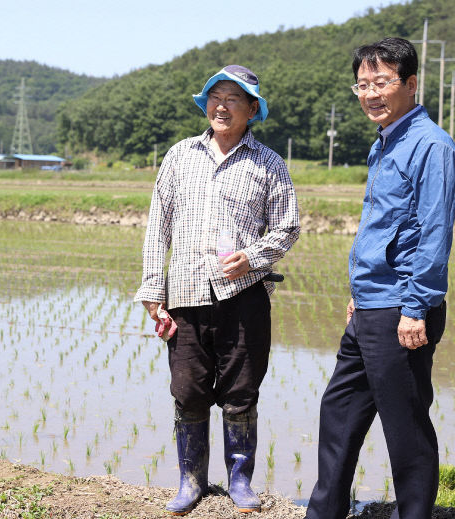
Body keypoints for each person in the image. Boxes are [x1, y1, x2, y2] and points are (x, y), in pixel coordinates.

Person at [305, 38, 455, 519]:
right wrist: (359, 295)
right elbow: (383, 229)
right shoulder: (386, 142)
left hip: (402, 310)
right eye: (363, 84)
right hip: (370, 306)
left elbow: (434, 234)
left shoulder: (432, 147)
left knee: (406, 430)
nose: (371, 93)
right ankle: (324, 512)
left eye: (382, 82)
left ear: (410, 84)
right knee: (339, 413)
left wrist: (416, 307)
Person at [135, 65, 300, 515]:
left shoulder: (268, 163)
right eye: (215, 97)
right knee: (187, 390)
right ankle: (190, 481)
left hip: (243, 295)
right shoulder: (179, 156)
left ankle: (240, 482)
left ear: (252, 110)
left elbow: (287, 228)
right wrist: (153, 289)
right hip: (185, 294)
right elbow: (157, 228)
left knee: (241, 391)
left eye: (233, 98)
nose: (221, 106)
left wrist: (253, 256)